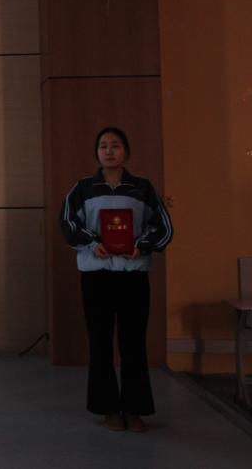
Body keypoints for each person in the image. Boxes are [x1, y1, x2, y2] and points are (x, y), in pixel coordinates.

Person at [59, 126, 173, 433]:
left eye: (115, 145)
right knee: (100, 341)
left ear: (126, 151)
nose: (109, 151)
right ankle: (108, 408)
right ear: (96, 153)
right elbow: (67, 223)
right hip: (96, 276)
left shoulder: (142, 187)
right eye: (103, 146)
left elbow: (163, 227)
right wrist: (91, 241)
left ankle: (135, 409)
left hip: (132, 276)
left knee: (133, 342)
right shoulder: (83, 188)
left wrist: (143, 245)